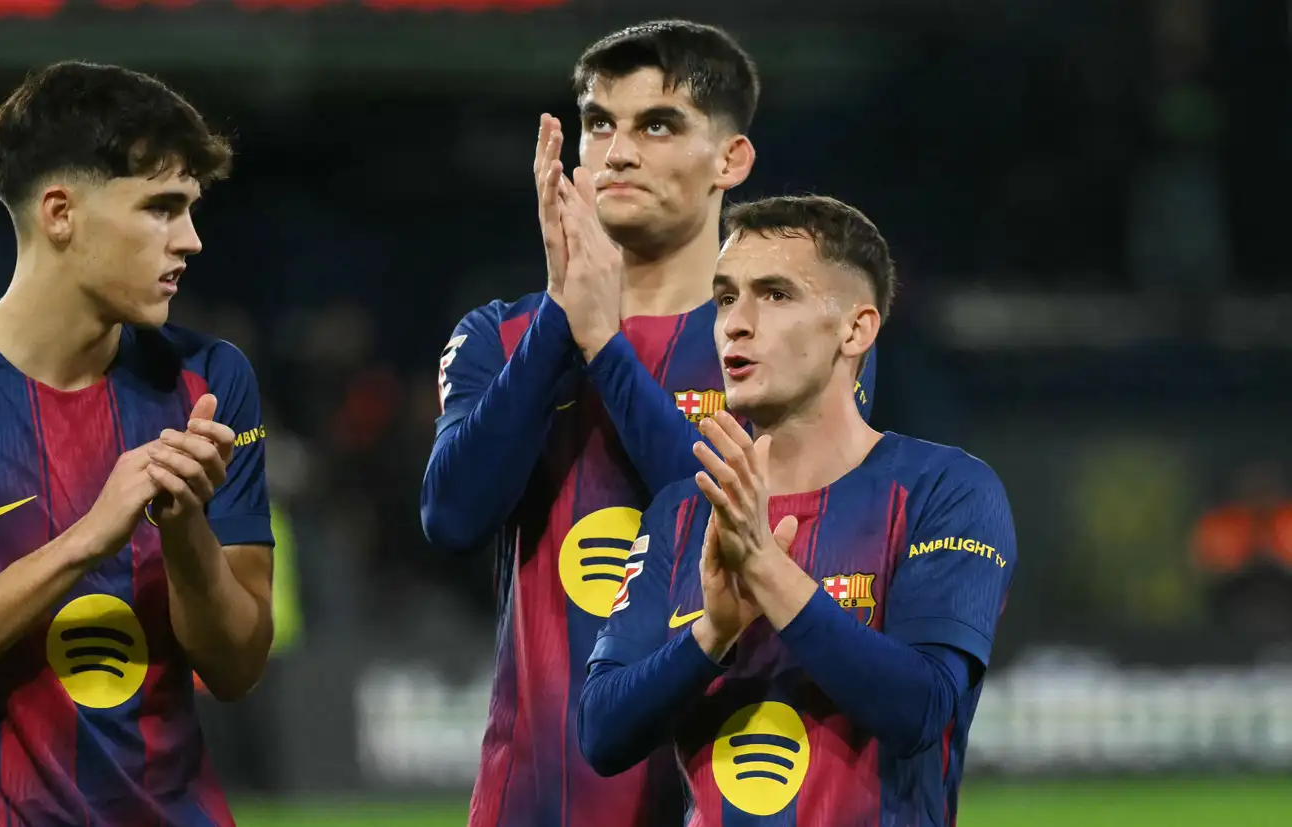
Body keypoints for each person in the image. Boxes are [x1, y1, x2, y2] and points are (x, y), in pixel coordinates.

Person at [421, 20, 876, 827]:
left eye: (658, 125)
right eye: (600, 124)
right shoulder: (501, 334)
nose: (619, 152)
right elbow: (451, 516)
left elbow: (754, 528)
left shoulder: (799, 339)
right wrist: (564, 316)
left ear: (730, 160)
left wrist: (605, 349)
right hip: (535, 803)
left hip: (723, 796)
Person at [0, 61, 274, 827]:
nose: (192, 240)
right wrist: (86, 541)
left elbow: (236, 666)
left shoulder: (211, 381)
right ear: (60, 213)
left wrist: (183, 528)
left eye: (191, 209)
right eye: (161, 208)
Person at [579, 195, 1015, 826]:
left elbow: (921, 710)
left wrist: (767, 571)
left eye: (776, 294)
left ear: (855, 330)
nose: (736, 323)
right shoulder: (683, 510)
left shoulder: (945, 490)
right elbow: (601, 732)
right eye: (725, 298)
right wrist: (713, 633)